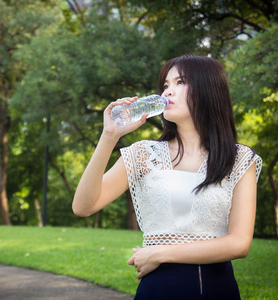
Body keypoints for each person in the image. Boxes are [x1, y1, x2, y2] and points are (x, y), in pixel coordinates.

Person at [72, 55, 262, 299]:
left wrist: (160, 253)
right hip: (158, 289)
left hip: (217, 288)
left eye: (180, 82)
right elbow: (83, 206)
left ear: (209, 89)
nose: (168, 91)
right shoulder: (144, 154)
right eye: (165, 85)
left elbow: (239, 244)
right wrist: (109, 136)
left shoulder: (238, 158)